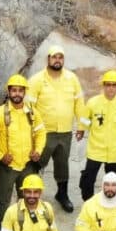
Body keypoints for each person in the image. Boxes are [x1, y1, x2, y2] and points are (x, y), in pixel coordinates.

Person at [0, 74, 47, 231]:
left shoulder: (32, 113)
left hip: (27, 165)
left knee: (28, 200)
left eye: (20, 90)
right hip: (7, 166)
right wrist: (0, 155)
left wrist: (38, 150)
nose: (17, 94)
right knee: (1, 203)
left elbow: (41, 132)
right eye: (14, 90)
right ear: (9, 92)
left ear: (25, 92)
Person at [27, 45, 85, 212]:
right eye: (54, 57)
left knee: (62, 164)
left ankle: (62, 194)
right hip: (44, 132)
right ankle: (30, 195)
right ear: (48, 59)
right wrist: (32, 129)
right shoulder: (37, 80)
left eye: (60, 57)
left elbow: (79, 103)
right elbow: (29, 106)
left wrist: (81, 126)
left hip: (65, 132)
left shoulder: (72, 78)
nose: (57, 60)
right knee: (36, 163)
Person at [77, 70, 116, 201]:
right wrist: (82, 129)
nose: (111, 88)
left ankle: (109, 203)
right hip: (96, 149)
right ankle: (88, 203)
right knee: (88, 179)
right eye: (108, 84)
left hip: (115, 152)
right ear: (103, 85)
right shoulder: (93, 103)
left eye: (114, 85)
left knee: (112, 181)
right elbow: (84, 119)